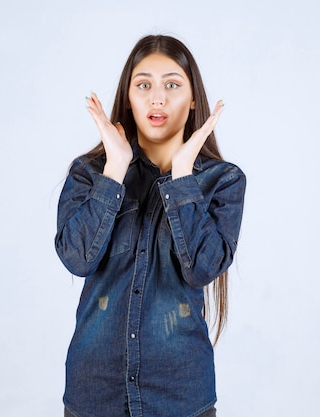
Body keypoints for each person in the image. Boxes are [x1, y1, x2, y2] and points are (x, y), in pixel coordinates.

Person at [55, 34, 246, 417]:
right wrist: (114, 170)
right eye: (143, 85)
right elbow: (77, 259)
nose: (157, 98)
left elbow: (202, 269)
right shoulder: (90, 174)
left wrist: (182, 176)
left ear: (193, 99)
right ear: (128, 96)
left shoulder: (222, 181)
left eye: (172, 85)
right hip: (94, 394)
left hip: (180, 396)